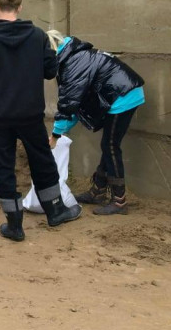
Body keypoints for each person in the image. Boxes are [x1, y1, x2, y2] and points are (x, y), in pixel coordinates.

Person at [0, 0, 80, 242]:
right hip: (29, 114)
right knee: (42, 160)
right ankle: (56, 211)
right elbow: (50, 72)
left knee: (3, 167)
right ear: (19, 8)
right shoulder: (37, 36)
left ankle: (15, 225)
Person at [47, 31, 146, 216]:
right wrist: (60, 131)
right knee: (108, 144)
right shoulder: (73, 56)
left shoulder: (72, 64)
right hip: (123, 93)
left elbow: (68, 103)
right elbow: (77, 106)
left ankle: (119, 202)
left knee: (110, 145)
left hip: (123, 96)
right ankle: (98, 191)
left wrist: (55, 134)